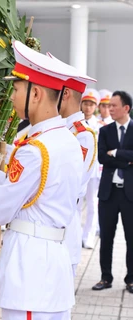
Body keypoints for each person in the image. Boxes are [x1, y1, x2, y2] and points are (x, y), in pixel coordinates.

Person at [0, 41, 83, 319]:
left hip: (30, 271)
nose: (12, 95)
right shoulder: (66, 140)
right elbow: (38, 195)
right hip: (52, 267)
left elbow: (1, 209)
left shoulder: (35, 150)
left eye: (17, 88)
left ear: (35, 93)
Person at [47, 52, 97, 278]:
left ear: (65, 94)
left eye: (53, 91)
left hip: (64, 222)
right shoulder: (59, 129)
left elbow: (73, 186)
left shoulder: (82, 135)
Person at [93, 91, 133, 293]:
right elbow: (102, 158)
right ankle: (105, 277)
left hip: (130, 195)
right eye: (109, 105)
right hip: (108, 193)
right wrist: (128, 160)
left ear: (126, 108)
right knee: (106, 237)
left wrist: (116, 153)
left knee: (131, 238)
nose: (110, 109)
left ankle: (131, 279)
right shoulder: (105, 131)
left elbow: (111, 156)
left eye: (114, 106)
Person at [80, 89, 102, 249]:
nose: (88, 107)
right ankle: (75, 234)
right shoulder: (76, 124)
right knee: (76, 203)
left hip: (94, 170)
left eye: (91, 104)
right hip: (79, 169)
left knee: (93, 203)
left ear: (96, 107)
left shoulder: (101, 126)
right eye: (86, 103)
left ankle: (88, 236)